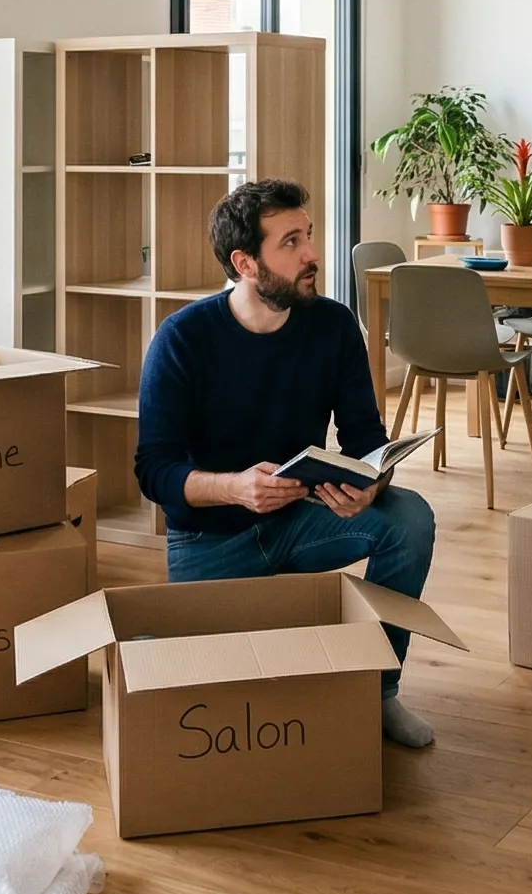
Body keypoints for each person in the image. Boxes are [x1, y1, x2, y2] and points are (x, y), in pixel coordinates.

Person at [135, 178, 441, 748]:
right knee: (213, 706)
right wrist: (233, 487)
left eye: (309, 236)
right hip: (209, 539)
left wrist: (371, 485)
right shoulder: (182, 339)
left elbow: (366, 438)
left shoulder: (333, 325)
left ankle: (379, 691)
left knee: (409, 519)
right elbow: (154, 470)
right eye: (291, 242)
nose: (312, 254)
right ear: (245, 263)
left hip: (301, 520)